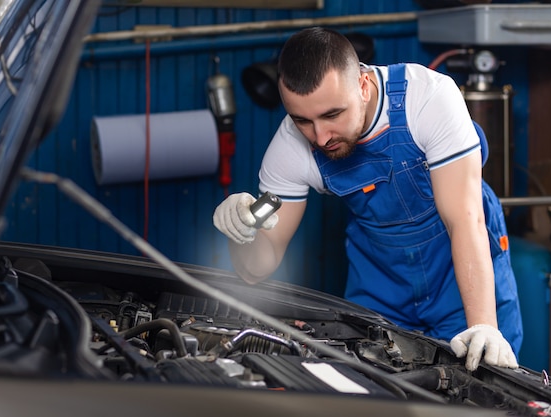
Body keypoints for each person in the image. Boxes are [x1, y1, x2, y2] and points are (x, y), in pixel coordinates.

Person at [213, 27, 522, 371]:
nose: (320, 137)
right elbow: (257, 267)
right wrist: (242, 231)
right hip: (381, 281)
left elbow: (465, 219)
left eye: (332, 115)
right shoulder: (289, 148)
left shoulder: (429, 98)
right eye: (302, 120)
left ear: (362, 84)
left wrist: (483, 325)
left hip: (460, 269)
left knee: (480, 386)